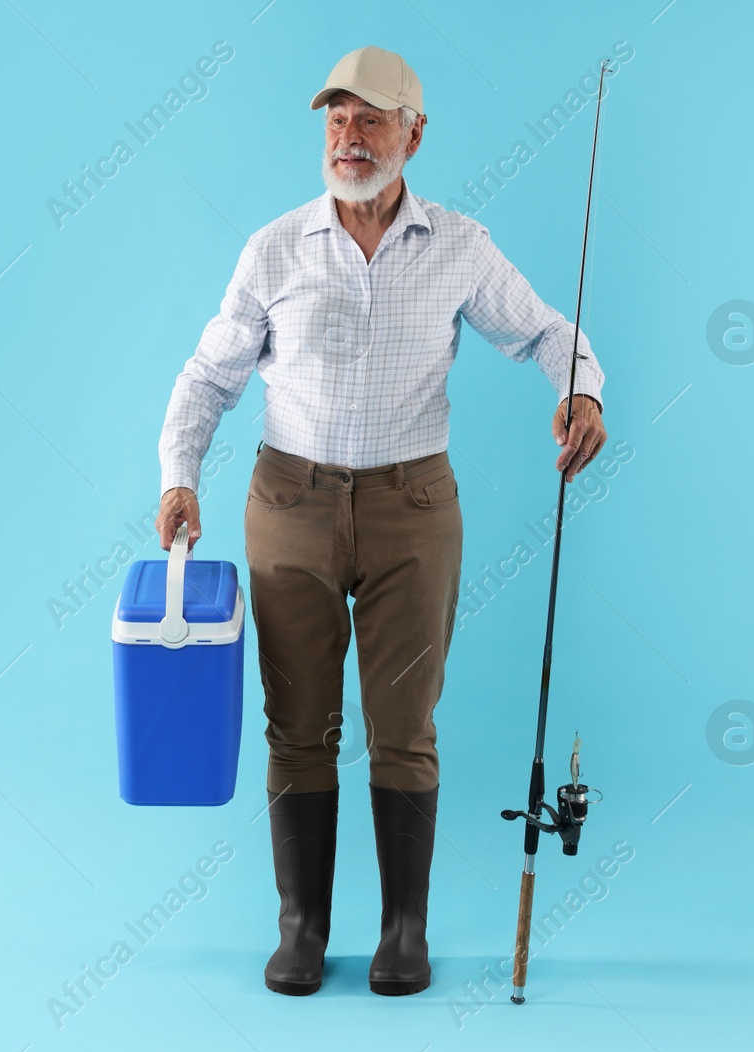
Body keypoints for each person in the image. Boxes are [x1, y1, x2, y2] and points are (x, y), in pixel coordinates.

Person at [154, 45, 609, 996]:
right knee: (297, 726)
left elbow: (542, 332)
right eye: (336, 119)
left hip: (412, 511)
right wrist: (179, 474)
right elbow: (208, 376)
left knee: (405, 725)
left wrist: (581, 390)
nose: (349, 138)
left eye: (369, 119)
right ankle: (302, 929)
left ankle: (407, 929)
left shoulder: (460, 246)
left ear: (415, 131)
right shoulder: (275, 248)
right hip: (290, 506)